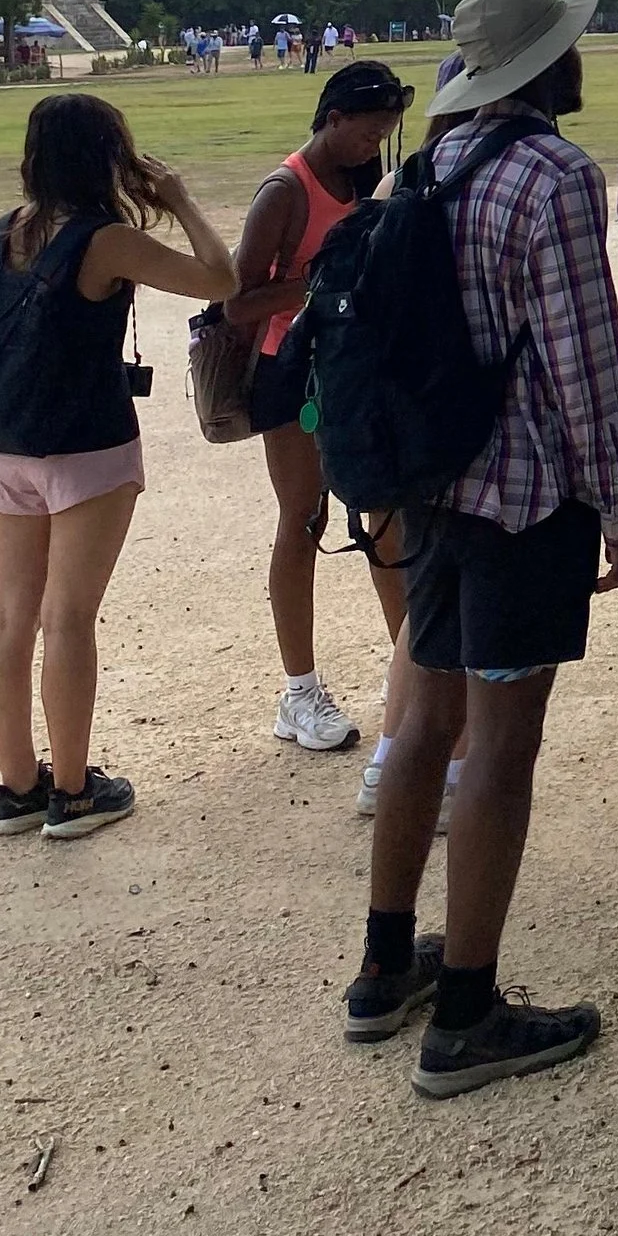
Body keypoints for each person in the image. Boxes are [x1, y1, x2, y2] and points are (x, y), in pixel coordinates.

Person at [343, 0, 618, 1095]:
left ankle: (386, 964)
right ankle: (466, 1009)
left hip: (431, 487)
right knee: (501, 748)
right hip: (522, 496)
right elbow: (582, 357)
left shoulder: (430, 165)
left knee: (423, 719)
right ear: (545, 65)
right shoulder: (554, 176)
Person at [0, 95, 238, 838]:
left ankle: (18, 786)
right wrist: (181, 199)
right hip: (88, 445)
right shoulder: (107, 239)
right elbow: (222, 278)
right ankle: (74, 789)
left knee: (9, 619)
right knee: (68, 618)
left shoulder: (9, 230)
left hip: (12, 439)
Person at [227, 60, 418, 758]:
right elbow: (237, 301)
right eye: (366, 131)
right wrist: (324, 283)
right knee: (303, 520)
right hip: (293, 376)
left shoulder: (363, 175)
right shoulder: (285, 189)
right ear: (331, 118)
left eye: (385, 134)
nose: (375, 144)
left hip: (356, 369)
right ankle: (299, 690)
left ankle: (414, 672)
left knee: (386, 518)